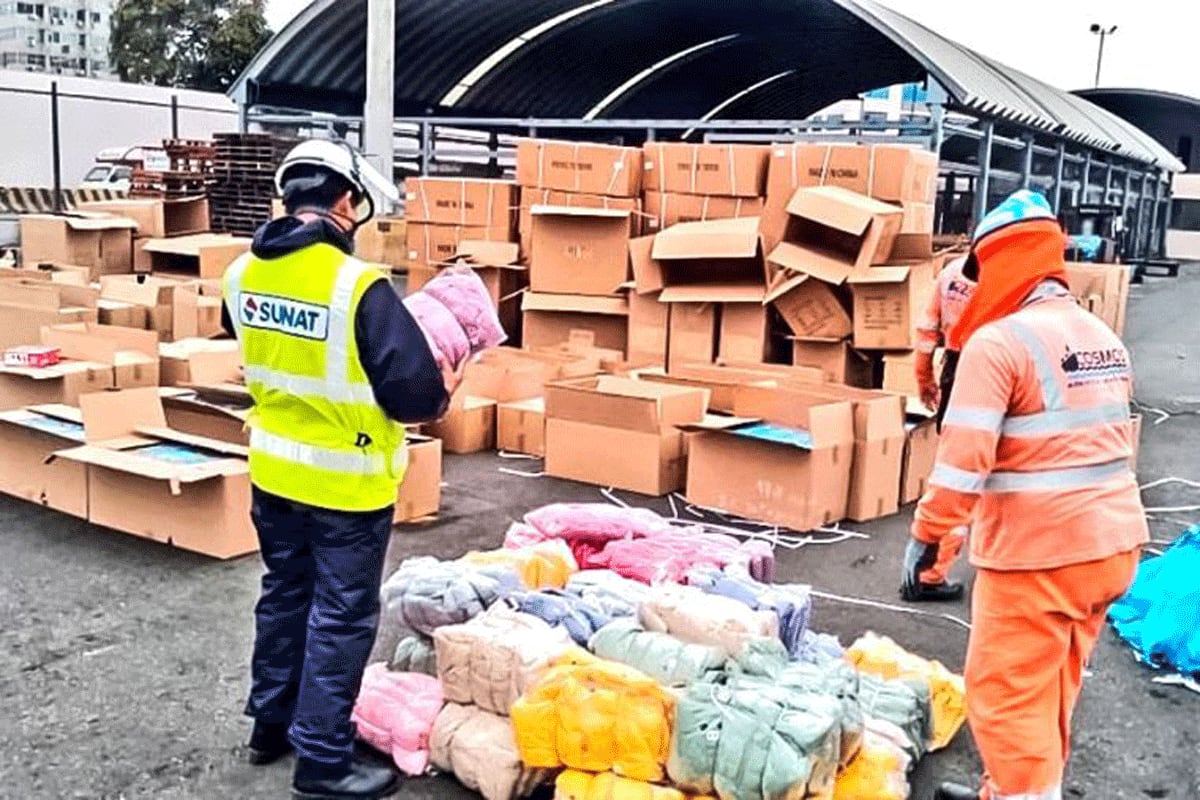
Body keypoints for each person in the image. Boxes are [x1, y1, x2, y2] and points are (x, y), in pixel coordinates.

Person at [221, 139, 455, 800]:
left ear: (288, 197)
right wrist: (446, 387)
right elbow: (415, 394)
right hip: (345, 484)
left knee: (286, 593)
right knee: (341, 615)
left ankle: (271, 724)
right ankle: (323, 759)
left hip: (274, 476)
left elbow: (254, 344)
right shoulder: (359, 287)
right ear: (346, 202)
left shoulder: (242, 275)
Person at [902, 190, 1148, 800]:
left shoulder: (998, 344)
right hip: (1111, 547)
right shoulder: (1099, 337)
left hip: (1040, 554)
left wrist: (929, 538)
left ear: (1002, 260)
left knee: (1006, 697)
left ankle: (1021, 793)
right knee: (1052, 685)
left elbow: (962, 467)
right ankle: (1015, 787)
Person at [902, 251, 978, 602]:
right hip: (991, 373)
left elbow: (926, 329)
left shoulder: (950, 273)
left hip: (954, 366)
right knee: (976, 480)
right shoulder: (1010, 279)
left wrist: (924, 376)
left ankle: (929, 570)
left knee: (955, 474)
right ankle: (929, 575)